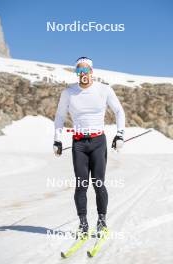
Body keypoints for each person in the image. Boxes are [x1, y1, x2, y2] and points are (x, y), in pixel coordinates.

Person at [53, 57, 125, 235]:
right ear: (76, 73)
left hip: (98, 142)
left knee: (98, 183)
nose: (83, 74)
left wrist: (120, 134)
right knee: (81, 184)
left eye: (86, 70)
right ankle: (83, 224)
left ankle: (101, 222)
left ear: (92, 71)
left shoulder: (103, 89)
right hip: (79, 144)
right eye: (79, 71)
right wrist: (57, 139)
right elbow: (60, 116)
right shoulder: (69, 93)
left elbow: (118, 111)